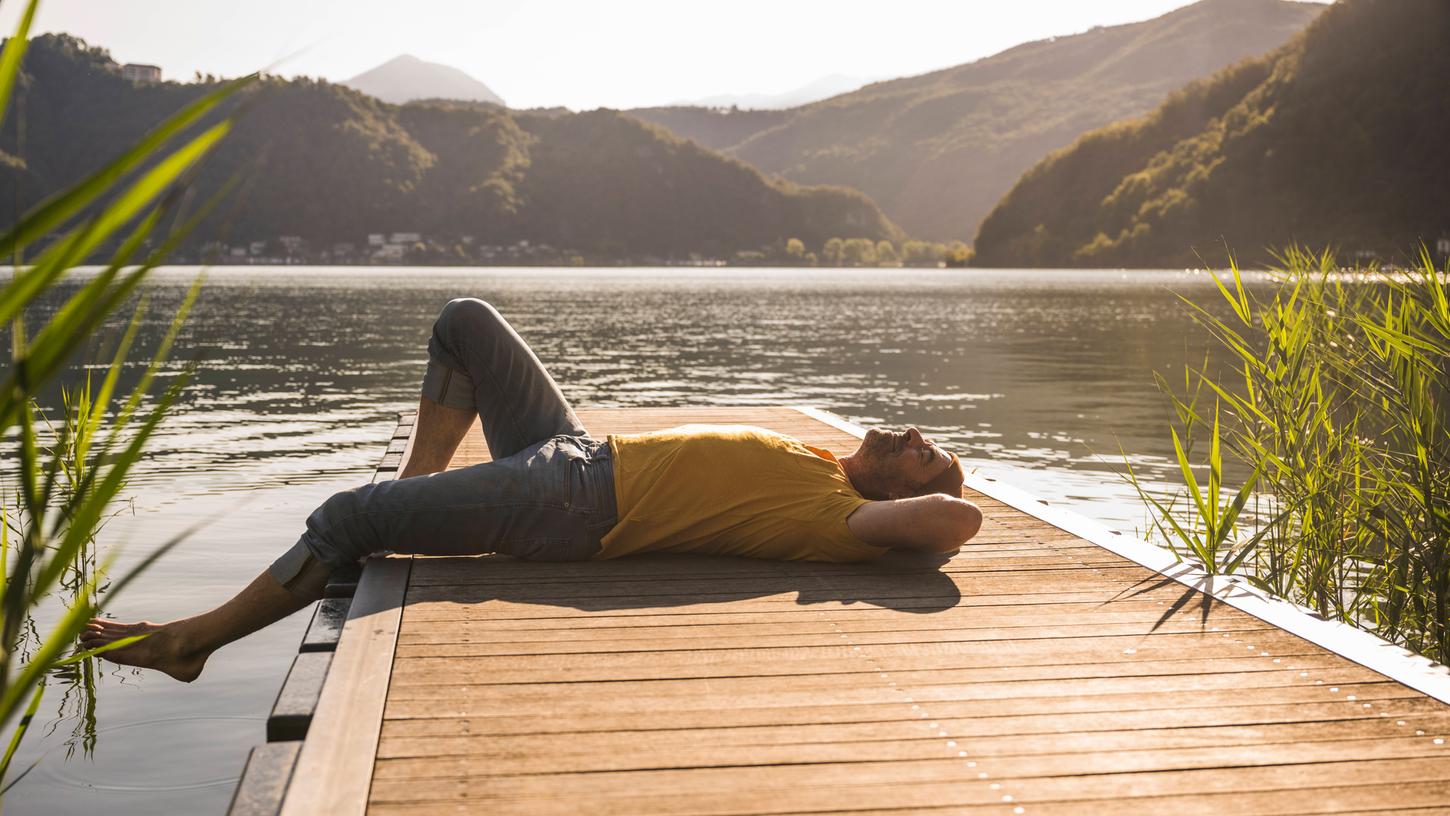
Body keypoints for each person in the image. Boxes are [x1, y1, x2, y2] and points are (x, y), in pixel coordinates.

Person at [81, 298, 982, 682]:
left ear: (903, 497)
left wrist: (928, 509)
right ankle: (419, 495)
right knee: (463, 322)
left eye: (922, 449)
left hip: (574, 505)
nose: (908, 434)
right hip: (574, 454)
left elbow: (960, 516)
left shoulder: (840, 516)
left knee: (342, 517)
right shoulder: (826, 468)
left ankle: (190, 643)